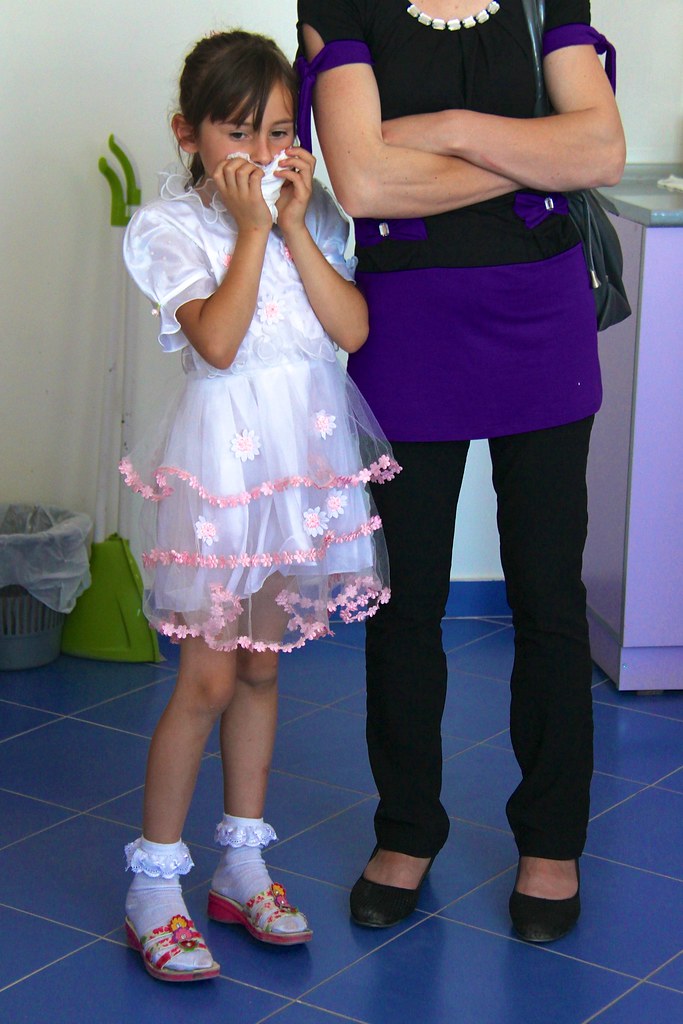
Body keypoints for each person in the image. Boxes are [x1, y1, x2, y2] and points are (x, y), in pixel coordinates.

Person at [296, 0, 626, 942]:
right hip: (407, 330)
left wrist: (438, 135)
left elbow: (598, 153)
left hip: (541, 320)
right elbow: (361, 178)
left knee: (549, 597)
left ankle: (551, 841)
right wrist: (529, 157)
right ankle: (405, 830)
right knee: (406, 602)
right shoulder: (341, 3)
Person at [119, 28, 400, 981]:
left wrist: (287, 226)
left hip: (299, 477)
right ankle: (154, 885)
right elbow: (221, 346)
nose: (261, 153)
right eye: (236, 131)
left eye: (279, 130)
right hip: (223, 486)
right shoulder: (169, 230)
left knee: (263, 674)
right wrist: (248, 231)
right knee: (202, 680)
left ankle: (243, 863)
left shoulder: (312, 217)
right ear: (188, 134)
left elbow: (352, 328)